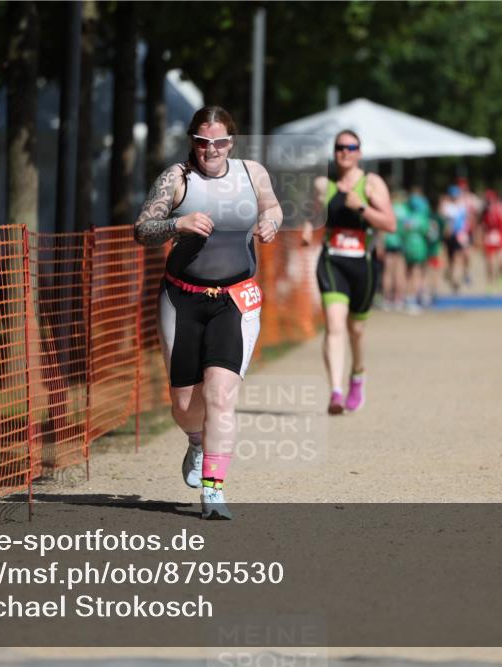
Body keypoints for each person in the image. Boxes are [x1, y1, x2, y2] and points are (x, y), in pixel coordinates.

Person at [133, 105, 282, 520]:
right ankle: (196, 441)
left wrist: (270, 222)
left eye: (218, 142)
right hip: (182, 299)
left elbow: (272, 207)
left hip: (235, 300)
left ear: (230, 142)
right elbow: (141, 229)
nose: (210, 150)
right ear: (192, 141)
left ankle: (214, 490)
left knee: (221, 395)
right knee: (184, 405)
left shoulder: (252, 173)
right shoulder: (176, 179)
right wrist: (176, 226)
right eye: (202, 142)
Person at [301, 130, 394, 414]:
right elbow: (311, 210)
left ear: (359, 153)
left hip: (362, 264)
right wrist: (307, 226)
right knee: (335, 325)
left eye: (351, 147)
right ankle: (336, 392)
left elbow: (390, 223)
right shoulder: (322, 184)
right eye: (340, 147)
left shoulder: (371, 184)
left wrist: (362, 207)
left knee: (356, 329)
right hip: (332, 262)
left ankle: (357, 374)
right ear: (335, 151)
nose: (345, 152)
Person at [380, 191, 407, 311]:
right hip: (400, 245)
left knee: (388, 273)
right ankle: (399, 299)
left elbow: (382, 229)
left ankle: (387, 299)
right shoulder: (405, 210)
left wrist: (380, 245)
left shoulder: (388, 209)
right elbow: (408, 229)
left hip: (389, 244)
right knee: (399, 273)